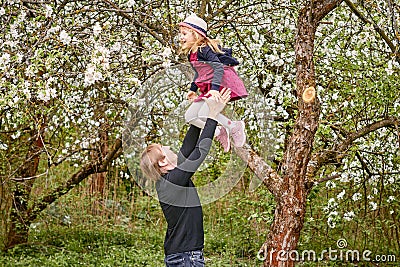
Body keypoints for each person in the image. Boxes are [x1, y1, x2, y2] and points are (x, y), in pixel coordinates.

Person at [140, 88, 231, 267]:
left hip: (184, 255)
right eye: (163, 148)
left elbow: (190, 143)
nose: (167, 146)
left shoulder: (172, 177)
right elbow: (200, 152)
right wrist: (212, 115)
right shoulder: (172, 182)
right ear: (162, 162)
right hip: (185, 257)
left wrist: (198, 105)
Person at [179, 13, 248, 152]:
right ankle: (219, 131)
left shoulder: (204, 49)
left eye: (184, 34)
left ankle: (234, 126)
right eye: (180, 34)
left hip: (219, 84)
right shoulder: (191, 54)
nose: (181, 38)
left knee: (205, 113)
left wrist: (215, 89)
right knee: (190, 117)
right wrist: (193, 89)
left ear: (196, 34)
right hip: (208, 87)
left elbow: (218, 67)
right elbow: (199, 73)